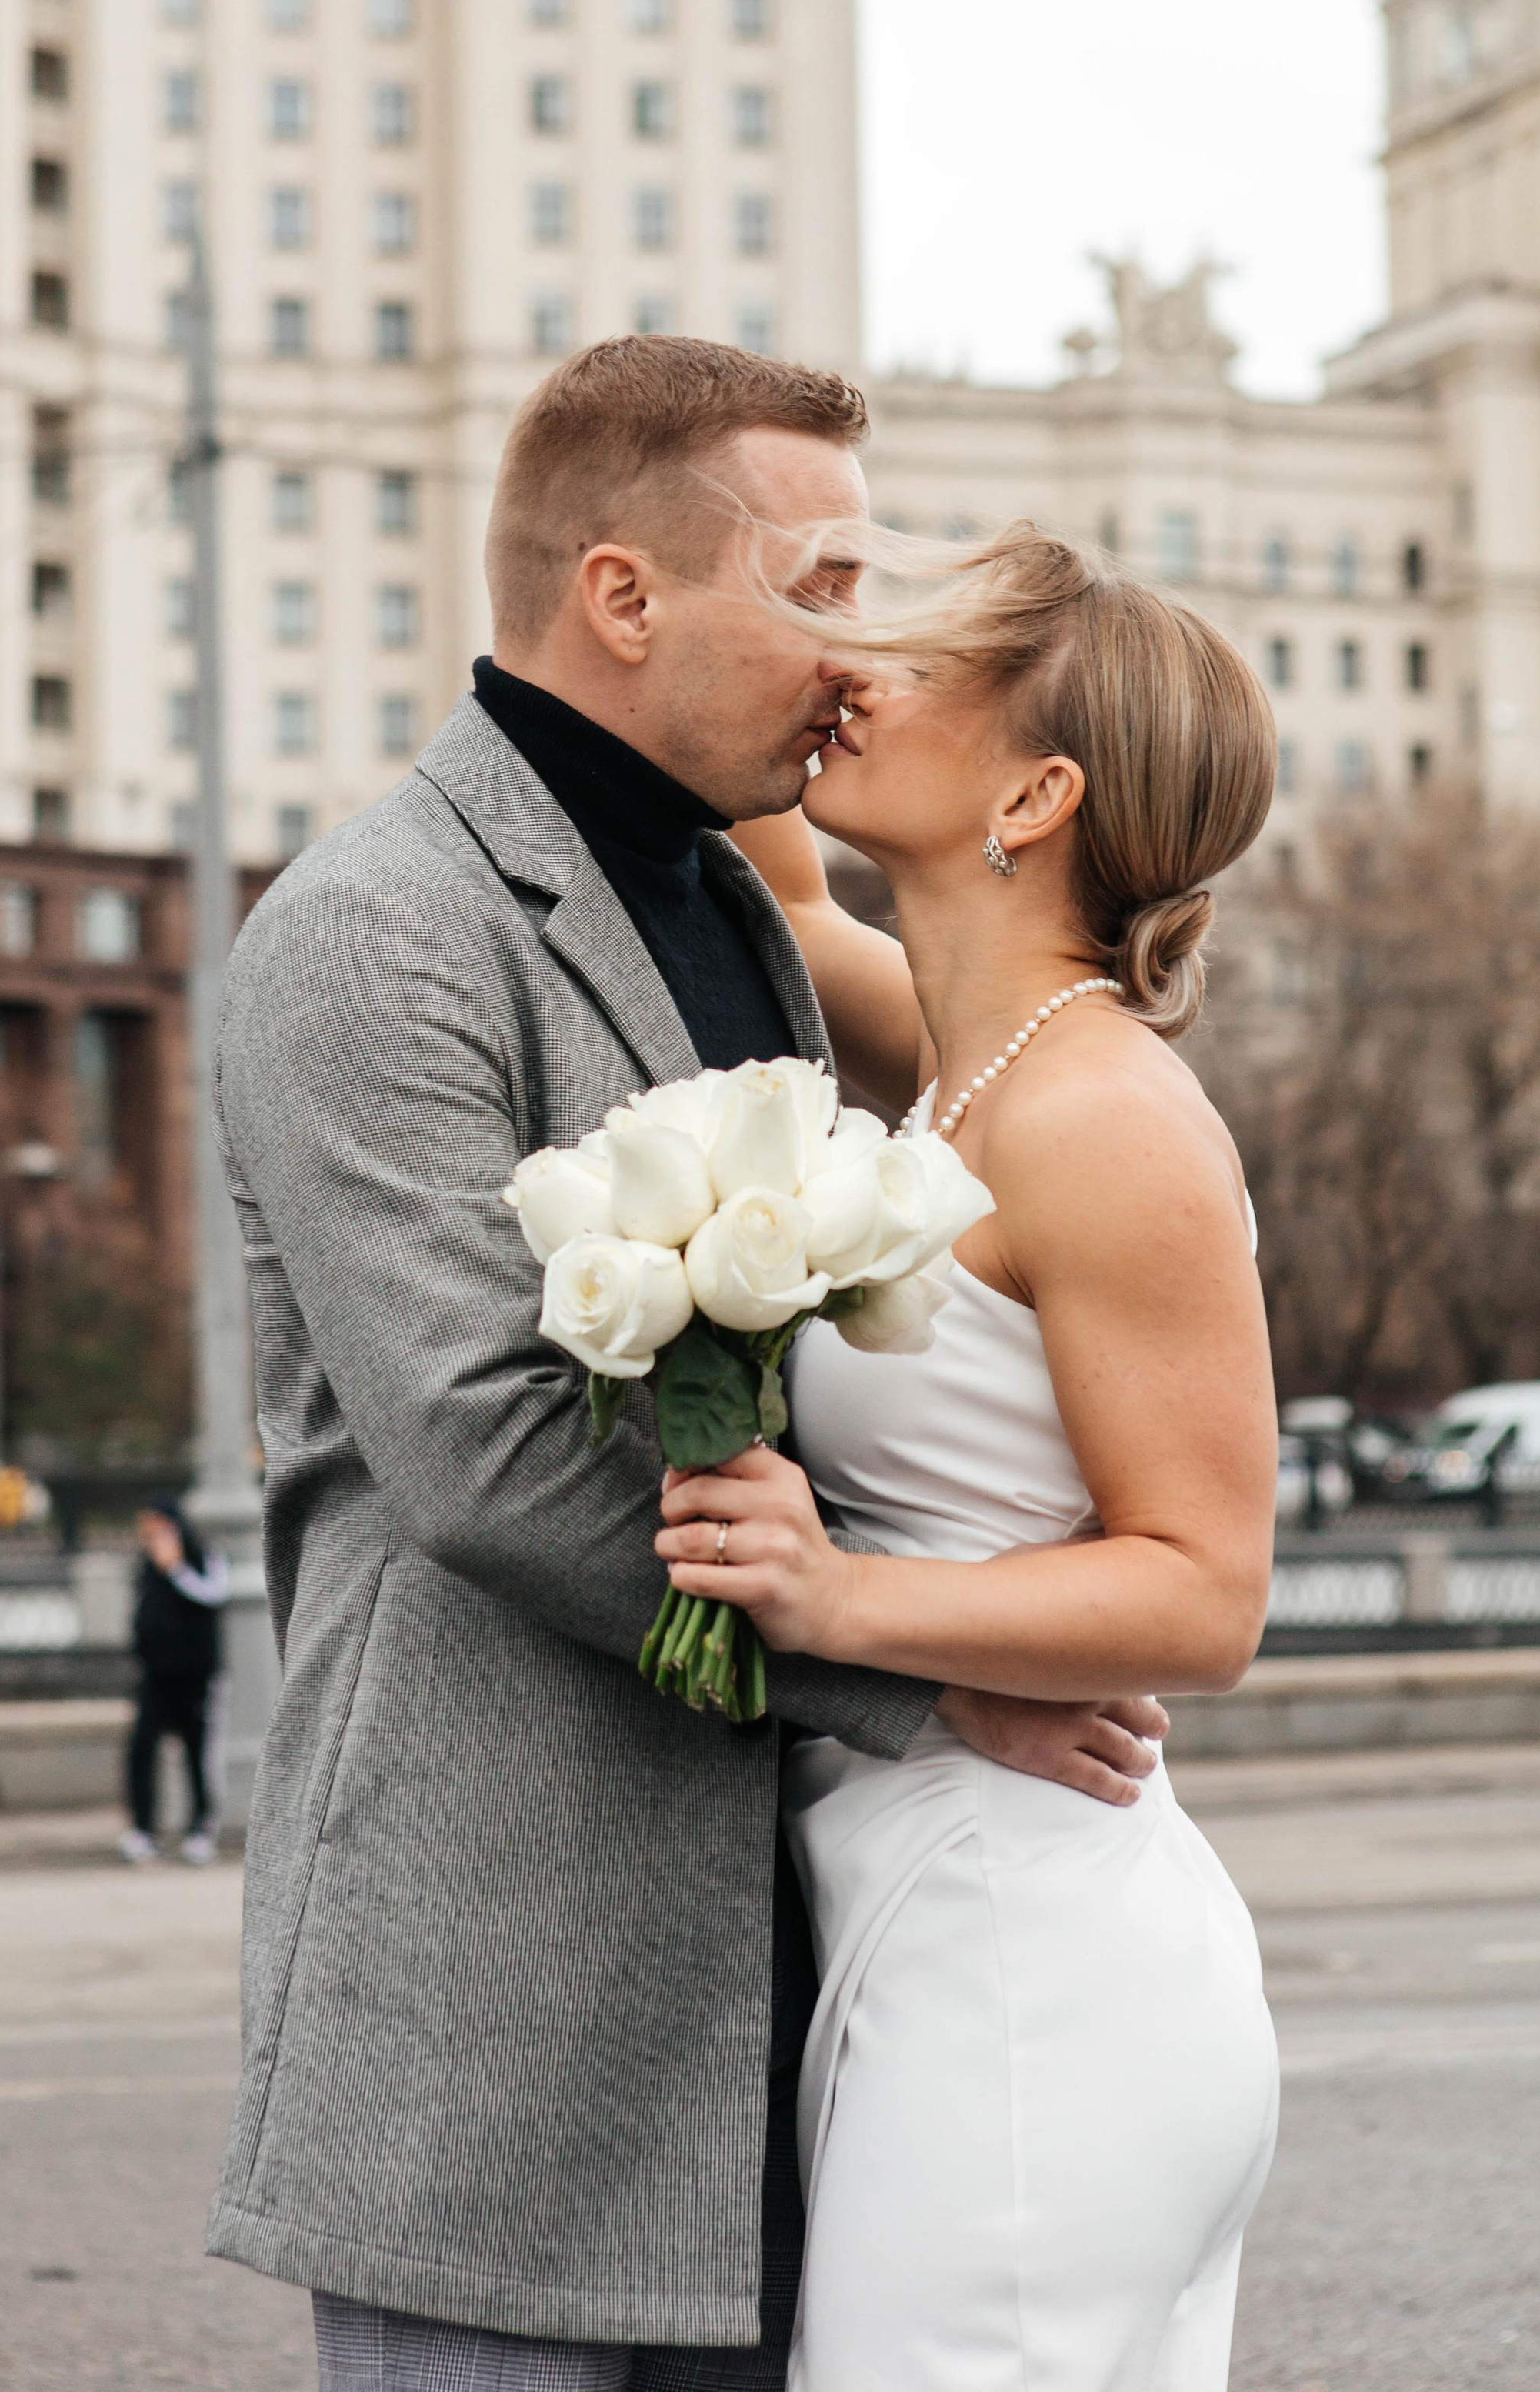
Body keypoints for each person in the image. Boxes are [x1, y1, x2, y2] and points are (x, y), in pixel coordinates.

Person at [205, 337, 1169, 2390]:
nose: (855, 654)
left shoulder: (740, 896)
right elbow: (479, 1452)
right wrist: (923, 1672)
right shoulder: (371, 931)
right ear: (624, 597)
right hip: (496, 2006)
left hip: (775, 2004)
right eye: (819, 590)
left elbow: (1037, 1129)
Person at [657, 522, 1282, 2387]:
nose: (860, 675)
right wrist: (798, 595)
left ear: (1032, 788)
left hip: (1037, 1969)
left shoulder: (1097, 1110)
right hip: (949, 1911)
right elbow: (779, 878)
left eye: (923, 660)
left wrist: (837, 1594)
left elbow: (1206, 1585)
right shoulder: (964, 1059)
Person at [120, 1501, 233, 1867]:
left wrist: (177, 1569)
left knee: (198, 1750)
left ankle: (201, 1828)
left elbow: (215, 1595)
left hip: (194, 1675)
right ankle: (143, 1829)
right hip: (156, 1674)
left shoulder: (203, 1556)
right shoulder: (147, 1564)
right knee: (141, 1748)